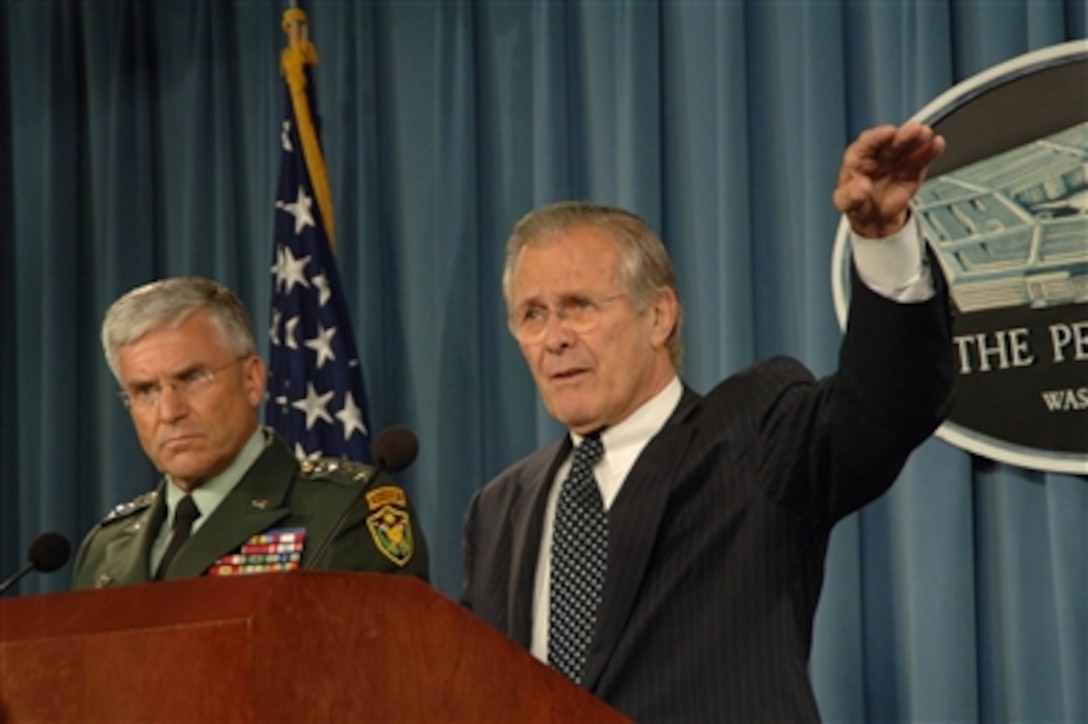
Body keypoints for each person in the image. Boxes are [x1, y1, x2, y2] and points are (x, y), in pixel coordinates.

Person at [460, 123, 954, 721]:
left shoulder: (753, 433)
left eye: (579, 307)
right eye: (532, 315)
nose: (555, 339)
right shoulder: (500, 507)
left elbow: (890, 404)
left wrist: (880, 238)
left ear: (658, 316)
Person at [72, 277, 429, 589]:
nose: (169, 412)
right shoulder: (105, 549)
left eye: (193, 378)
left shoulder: (345, 513)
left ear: (252, 380)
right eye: (146, 390)